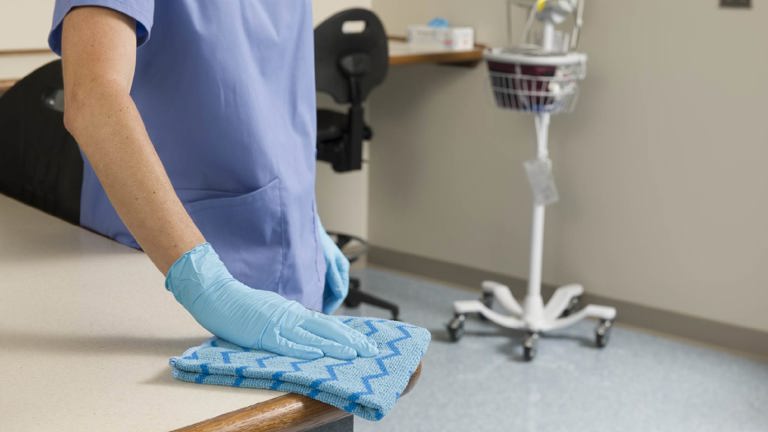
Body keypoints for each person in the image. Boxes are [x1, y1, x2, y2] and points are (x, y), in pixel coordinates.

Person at [3, 1, 378, 360]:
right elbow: (92, 97)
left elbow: (269, 84)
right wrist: (206, 287)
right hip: (164, 277)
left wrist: (305, 219)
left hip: (289, 259)